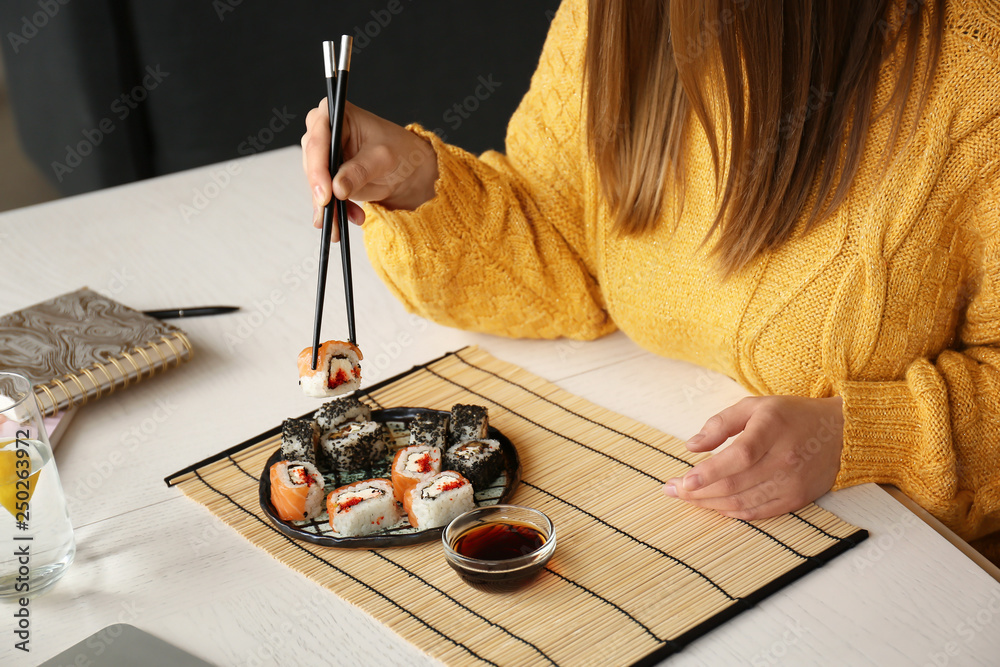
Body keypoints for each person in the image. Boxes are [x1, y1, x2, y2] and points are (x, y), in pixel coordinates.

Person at [302, 0, 1000, 564]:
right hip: (686, 534)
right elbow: (564, 256)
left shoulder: (978, 68)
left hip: (905, 566)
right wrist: (415, 181)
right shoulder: (612, 16)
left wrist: (856, 436)